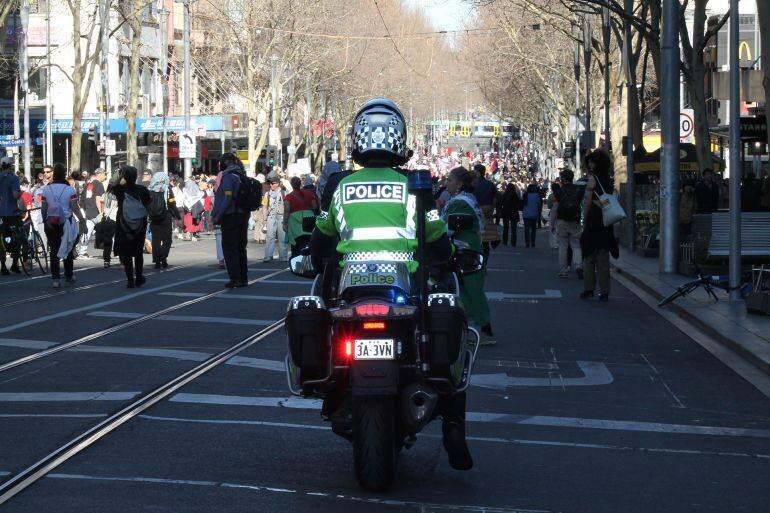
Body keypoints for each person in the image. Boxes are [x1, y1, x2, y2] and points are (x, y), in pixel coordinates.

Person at [311, 98, 473, 471]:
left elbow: (320, 241)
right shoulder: (414, 188)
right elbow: (436, 238)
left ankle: (331, 382)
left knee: (325, 319)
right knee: (449, 335)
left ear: (358, 140)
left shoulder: (341, 187)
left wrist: (313, 257)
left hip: (352, 292)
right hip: (404, 291)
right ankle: (453, 427)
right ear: (400, 142)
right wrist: (448, 256)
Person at [442, 167, 495, 345]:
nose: (446, 183)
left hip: (466, 252)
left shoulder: (461, 202)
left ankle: (486, 331)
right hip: (465, 250)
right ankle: (466, 329)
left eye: (449, 180)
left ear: (460, 183)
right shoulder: (463, 199)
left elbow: (447, 228)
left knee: (472, 291)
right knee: (464, 291)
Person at [580, 150, 619, 302]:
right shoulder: (609, 181)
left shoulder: (592, 179)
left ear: (596, 164)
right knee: (603, 257)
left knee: (589, 256)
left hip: (594, 220)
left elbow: (587, 202)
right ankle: (605, 292)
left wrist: (585, 215)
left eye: (591, 162)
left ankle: (589, 289)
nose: (589, 164)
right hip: (606, 221)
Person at [39, 163, 85, 287]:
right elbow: (74, 207)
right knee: (68, 248)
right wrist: (82, 220)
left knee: (54, 250)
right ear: (64, 174)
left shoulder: (47, 189)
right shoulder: (70, 189)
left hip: (51, 222)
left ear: (54, 174)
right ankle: (69, 275)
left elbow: (44, 208)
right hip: (66, 222)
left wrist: (44, 221)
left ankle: (55, 279)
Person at [212, 153, 249, 288]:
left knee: (229, 248)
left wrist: (217, 215)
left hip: (230, 216)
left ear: (225, 163)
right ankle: (243, 278)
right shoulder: (241, 175)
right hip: (243, 215)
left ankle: (235, 278)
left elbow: (227, 198)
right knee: (240, 248)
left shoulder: (228, 176)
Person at [110, 166, 151, 288]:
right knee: (138, 253)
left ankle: (129, 280)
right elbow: (148, 203)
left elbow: (112, 187)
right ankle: (139, 277)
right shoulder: (143, 190)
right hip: (140, 224)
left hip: (124, 224)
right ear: (136, 176)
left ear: (124, 177)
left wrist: (121, 178)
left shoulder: (120, 190)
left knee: (126, 253)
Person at [148, 171, 181, 269]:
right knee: (167, 239)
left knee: (156, 239)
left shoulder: (150, 190)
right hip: (166, 216)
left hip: (154, 218)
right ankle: (163, 257)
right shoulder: (167, 190)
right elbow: (172, 204)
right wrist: (178, 217)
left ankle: (157, 261)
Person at [554, 169, 583, 278]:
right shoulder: (578, 190)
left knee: (563, 246)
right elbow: (581, 203)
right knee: (576, 245)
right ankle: (578, 265)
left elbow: (556, 205)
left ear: (563, 179)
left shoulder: (559, 191)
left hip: (562, 220)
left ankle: (563, 270)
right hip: (574, 220)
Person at [283, 176, 317, 257]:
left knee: (296, 244)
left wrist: (285, 223)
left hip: (295, 222)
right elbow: (315, 206)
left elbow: (287, 210)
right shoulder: (308, 193)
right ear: (300, 183)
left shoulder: (289, 197)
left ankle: (297, 260)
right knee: (310, 241)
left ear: (291, 185)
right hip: (309, 219)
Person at [0, 156, 22, 275]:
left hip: (0, 214)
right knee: (16, 236)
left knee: (1, 239)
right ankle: (14, 264)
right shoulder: (13, 178)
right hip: (12, 213)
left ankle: (3, 266)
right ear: (11, 166)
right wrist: (20, 193)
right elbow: (15, 195)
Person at [78, 168, 106, 259]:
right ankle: (115, 250)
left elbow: (82, 199)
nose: (105, 176)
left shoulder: (89, 184)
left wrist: (84, 210)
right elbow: (99, 199)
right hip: (96, 212)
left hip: (88, 211)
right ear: (100, 174)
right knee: (108, 231)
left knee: (87, 232)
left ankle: (82, 251)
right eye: (104, 174)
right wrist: (101, 212)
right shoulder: (99, 184)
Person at [262, 173, 287, 262]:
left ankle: (283, 256)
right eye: (270, 183)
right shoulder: (267, 194)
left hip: (281, 217)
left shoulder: (284, 193)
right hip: (271, 217)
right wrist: (264, 219)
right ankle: (268, 256)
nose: (271, 185)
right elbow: (264, 207)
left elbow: (287, 206)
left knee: (282, 237)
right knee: (270, 236)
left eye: (272, 183)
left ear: (277, 183)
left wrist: (287, 218)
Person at [498, 181, 521, 247]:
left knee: (506, 228)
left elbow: (501, 204)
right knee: (514, 229)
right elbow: (518, 204)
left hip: (506, 212)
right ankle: (513, 242)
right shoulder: (515, 195)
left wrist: (499, 211)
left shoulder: (505, 195)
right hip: (513, 212)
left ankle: (505, 241)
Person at [521, 183, 542, 248]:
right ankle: (533, 242)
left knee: (526, 229)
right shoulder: (536, 195)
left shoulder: (525, 195)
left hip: (526, 214)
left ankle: (527, 243)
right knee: (533, 229)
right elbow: (539, 205)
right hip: (534, 214)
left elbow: (522, 204)